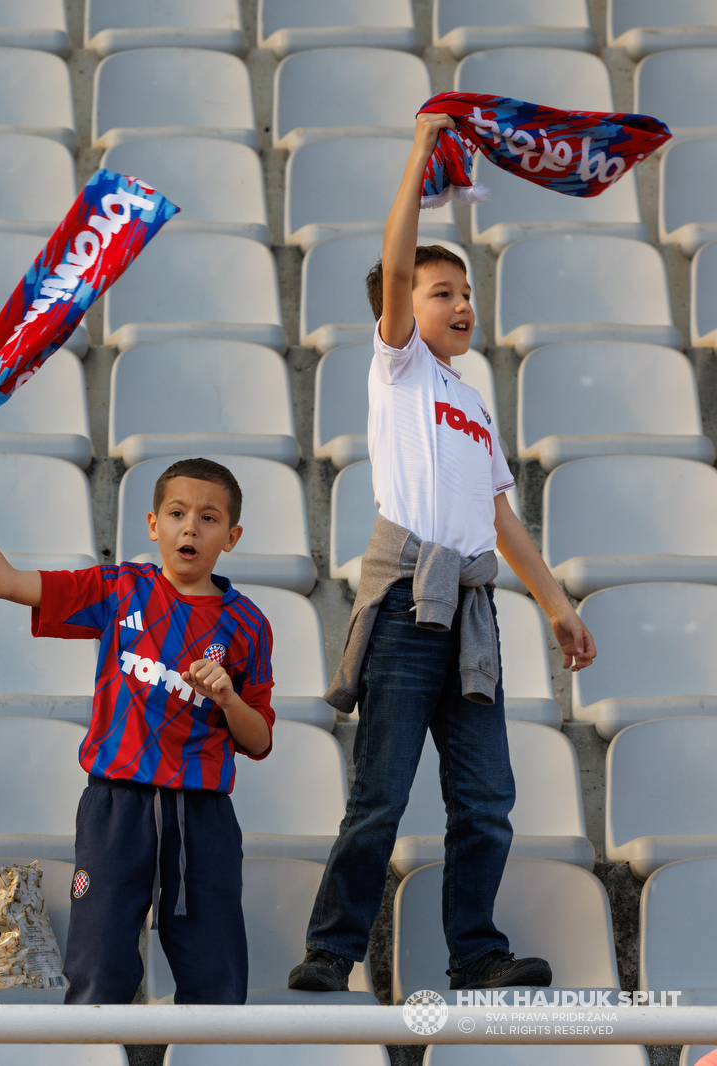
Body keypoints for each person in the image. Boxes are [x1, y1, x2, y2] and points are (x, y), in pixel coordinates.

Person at [288, 112, 598, 994]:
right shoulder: (398, 372)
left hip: (471, 611)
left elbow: (501, 517)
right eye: (439, 293)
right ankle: (333, 950)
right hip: (403, 606)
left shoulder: (475, 401)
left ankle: (475, 953)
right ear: (399, 307)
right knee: (379, 799)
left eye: (465, 294)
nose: (461, 306)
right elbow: (394, 264)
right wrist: (422, 156)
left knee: (487, 803)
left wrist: (556, 604)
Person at [0, 448, 276, 1005]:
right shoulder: (120, 589)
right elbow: (5, 581)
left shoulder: (247, 624)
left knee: (218, 984)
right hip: (115, 810)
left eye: (209, 517)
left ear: (232, 534)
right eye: (177, 513)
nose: (191, 527)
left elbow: (260, 740)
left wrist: (227, 698)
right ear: (153, 525)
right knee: (97, 974)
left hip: (201, 816)